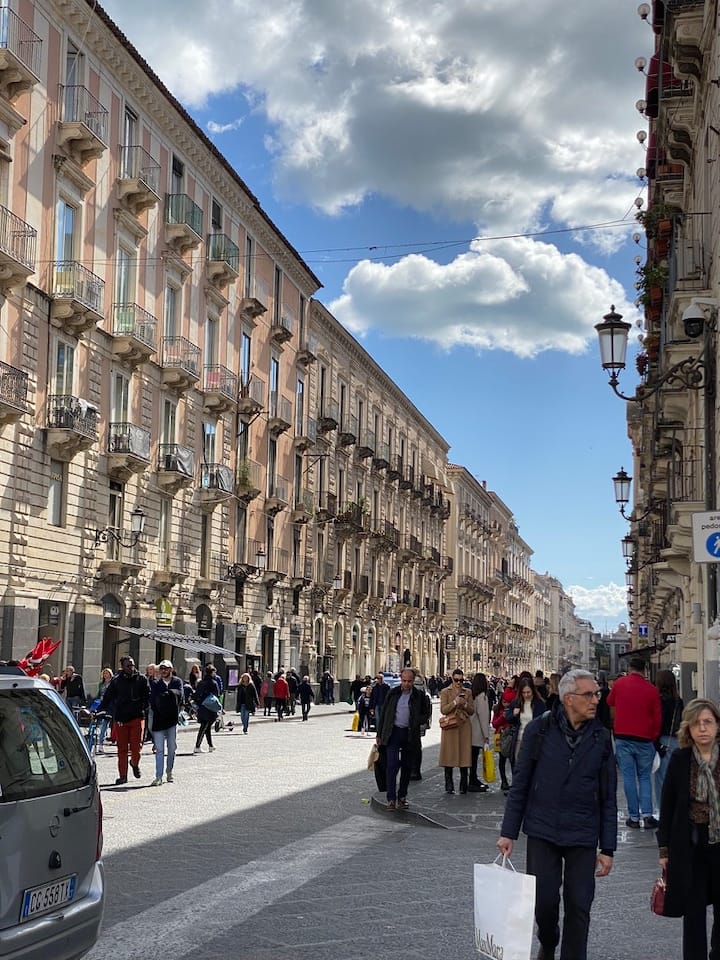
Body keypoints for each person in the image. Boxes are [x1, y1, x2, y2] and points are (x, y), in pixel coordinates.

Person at [498, 669, 617, 960]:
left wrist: (608, 847)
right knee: (544, 902)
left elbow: (608, 796)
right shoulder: (539, 730)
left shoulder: (601, 737)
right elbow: (521, 783)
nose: (596, 700)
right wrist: (508, 832)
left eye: (596, 694)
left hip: (583, 831)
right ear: (568, 699)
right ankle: (549, 940)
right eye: (588, 695)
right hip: (543, 828)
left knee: (579, 904)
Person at [657, 698, 720, 960]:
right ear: (688, 729)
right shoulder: (680, 759)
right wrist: (664, 849)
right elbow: (668, 804)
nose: (702, 728)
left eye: (708, 722)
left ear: (717, 725)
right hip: (691, 843)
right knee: (693, 911)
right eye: (696, 723)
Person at [607, 655, 661, 828]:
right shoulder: (651, 689)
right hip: (644, 738)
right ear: (645, 670)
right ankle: (647, 815)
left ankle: (634, 817)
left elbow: (609, 701)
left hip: (623, 737)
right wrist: (653, 737)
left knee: (628, 778)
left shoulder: (620, 684)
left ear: (630, 669)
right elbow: (657, 717)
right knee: (645, 777)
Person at [376, 667, 431, 810]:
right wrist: (379, 734)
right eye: (404, 681)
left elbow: (426, 714)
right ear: (401, 680)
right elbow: (384, 714)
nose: (406, 684)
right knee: (392, 765)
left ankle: (402, 797)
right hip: (393, 732)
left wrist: (416, 720)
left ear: (413, 681)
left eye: (409, 681)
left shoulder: (418, 695)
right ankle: (391, 799)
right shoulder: (393, 693)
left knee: (407, 767)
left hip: (409, 734)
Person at [99, 655, 150, 785]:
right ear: (122, 667)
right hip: (121, 718)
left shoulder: (141, 679)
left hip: (137, 717)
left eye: (132, 665)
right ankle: (123, 776)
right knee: (121, 749)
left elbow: (147, 696)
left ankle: (134, 763)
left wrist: (143, 706)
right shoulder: (116, 681)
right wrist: (99, 710)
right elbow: (108, 697)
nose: (131, 667)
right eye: (128, 665)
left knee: (136, 747)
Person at [439, 668, 474, 794]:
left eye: (461, 680)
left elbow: (472, 711)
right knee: (449, 755)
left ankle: (463, 785)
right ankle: (449, 785)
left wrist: (464, 704)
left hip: (464, 726)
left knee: (464, 756)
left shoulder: (468, 692)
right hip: (450, 726)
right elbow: (443, 710)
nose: (458, 683)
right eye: (456, 680)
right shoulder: (445, 692)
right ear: (452, 679)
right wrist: (455, 702)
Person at [149, 660, 183, 785]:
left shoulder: (177, 682)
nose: (163, 671)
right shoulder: (156, 684)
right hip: (159, 721)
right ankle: (158, 776)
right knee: (159, 749)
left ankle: (169, 771)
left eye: (166, 669)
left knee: (172, 748)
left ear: (171, 670)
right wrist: (169, 697)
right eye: (161, 669)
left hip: (172, 721)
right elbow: (153, 701)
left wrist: (166, 696)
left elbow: (180, 696)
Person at [655, 669, 683, 806]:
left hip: (664, 740)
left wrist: (655, 742)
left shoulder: (660, 700)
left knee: (662, 778)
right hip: (676, 740)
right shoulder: (679, 701)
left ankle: (663, 808)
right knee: (675, 777)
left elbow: (659, 722)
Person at [505, 676, 546, 770]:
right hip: (519, 738)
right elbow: (508, 718)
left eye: (528, 692)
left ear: (533, 691)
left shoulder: (539, 704)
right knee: (517, 766)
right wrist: (514, 714)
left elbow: (544, 722)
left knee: (532, 767)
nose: (526, 695)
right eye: (524, 692)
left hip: (534, 741)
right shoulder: (516, 702)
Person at [469, 672, 491, 792]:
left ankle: (473, 779)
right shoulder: (482, 696)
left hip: (470, 731)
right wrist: (486, 735)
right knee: (474, 757)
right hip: (477, 732)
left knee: (471, 757)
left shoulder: (472, 695)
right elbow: (483, 717)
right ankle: (472, 780)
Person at [193, 664, 221, 753]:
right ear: (212, 672)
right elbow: (217, 695)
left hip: (202, 707)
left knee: (206, 726)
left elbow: (196, 695)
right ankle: (197, 746)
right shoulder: (213, 683)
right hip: (210, 707)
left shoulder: (201, 682)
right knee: (204, 726)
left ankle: (210, 745)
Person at [492, 699, 511, 792]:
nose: (506, 704)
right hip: (500, 737)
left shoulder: (514, 709)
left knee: (512, 760)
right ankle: (504, 781)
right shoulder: (497, 709)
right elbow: (494, 724)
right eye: (504, 702)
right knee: (502, 759)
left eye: (508, 702)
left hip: (510, 737)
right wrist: (502, 717)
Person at [94, 667, 114, 753]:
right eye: (104, 673)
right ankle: (100, 742)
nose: (106, 675)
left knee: (107, 723)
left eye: (107, 673)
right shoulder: (101, 684)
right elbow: (99, 693)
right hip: (102, 704)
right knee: (102, 723)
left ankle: (104, 740)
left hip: (110, 705)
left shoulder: (113, 683)